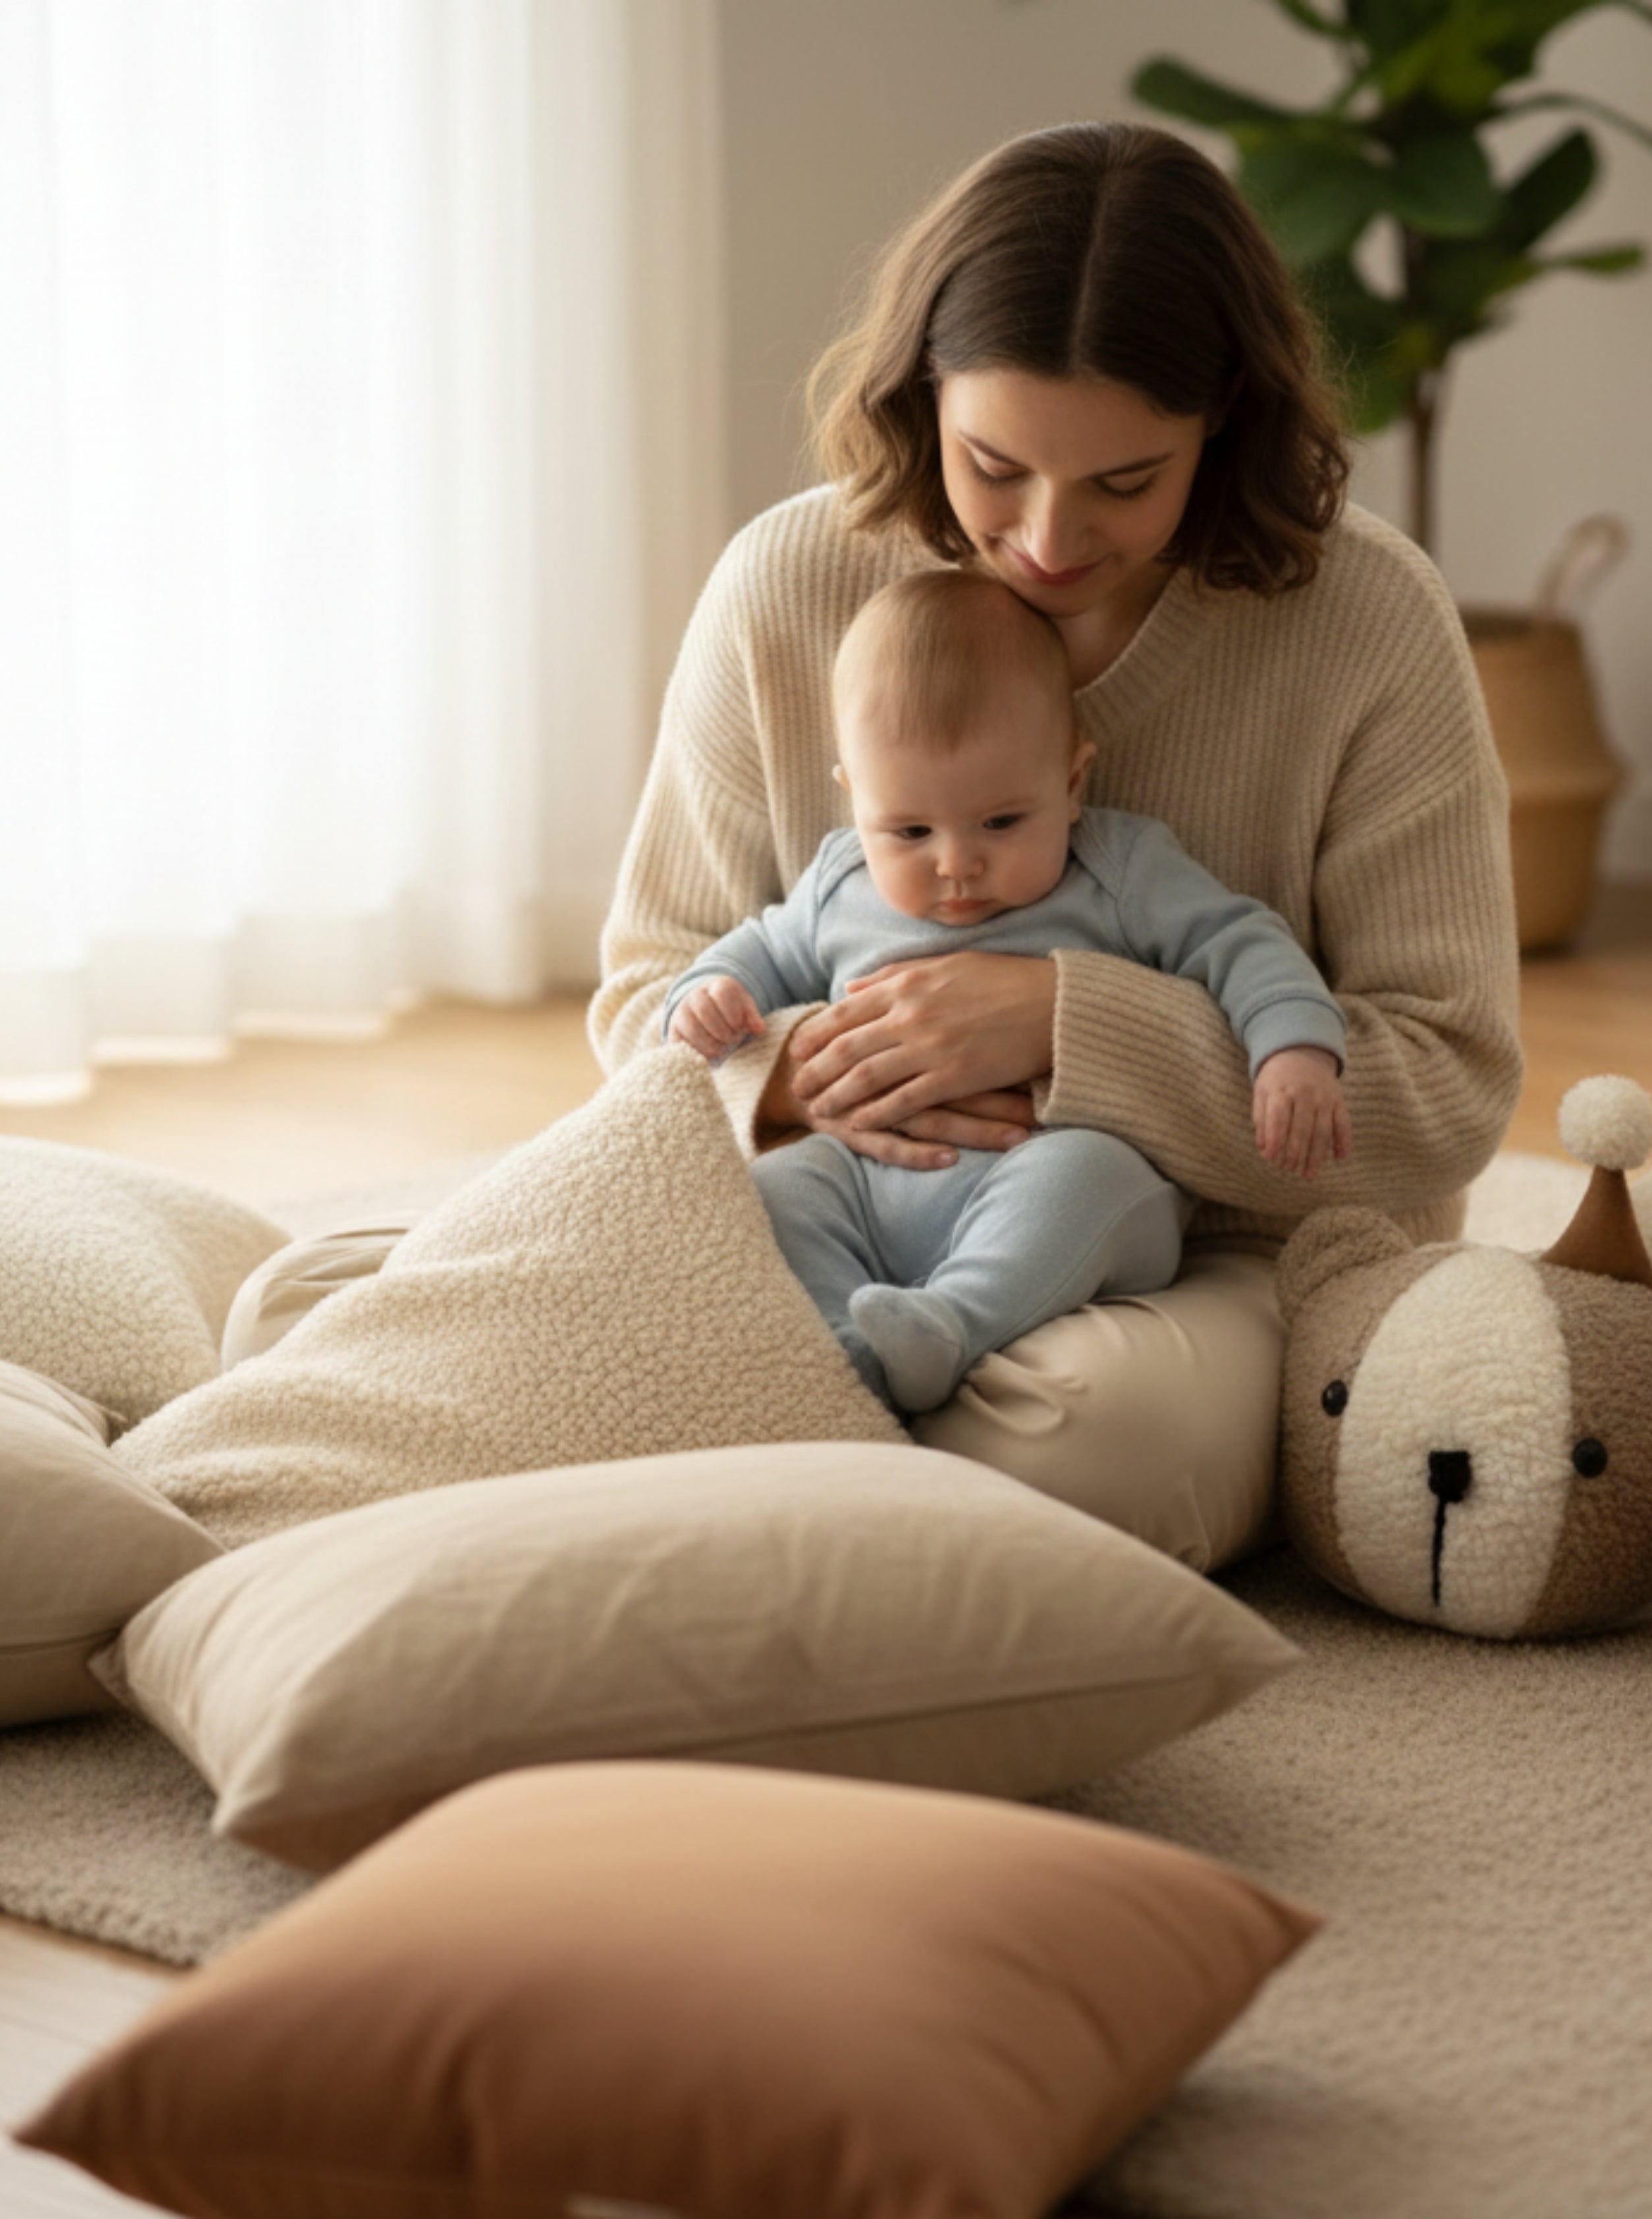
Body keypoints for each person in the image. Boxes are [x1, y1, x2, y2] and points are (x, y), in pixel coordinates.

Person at [592, 120, 1522, 1565]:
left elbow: (1447, 1086)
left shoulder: (1366, 624)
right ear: (922, 394)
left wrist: (1068, 1028)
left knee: (1095, 1446)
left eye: (1123, 481)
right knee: (370, 1296)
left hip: (1206, 1255)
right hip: (830, 1204)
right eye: (993, 464)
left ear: (1224, 417)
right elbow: (642, 993)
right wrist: (806, 1075)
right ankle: (825, 1433)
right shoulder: (789, 586)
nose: (1044, 537)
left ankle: (781, 1449)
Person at [666, 568, 1351, 1413]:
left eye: (1000, 822)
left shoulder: (1120, 869)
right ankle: (847, 1351)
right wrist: (708, 998)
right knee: (782, 1190)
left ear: (1071, 785)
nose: (956, 862)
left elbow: (1241, 941)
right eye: (909, 830)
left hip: (1043, 1172)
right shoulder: (838, 883)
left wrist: (1293, 1047)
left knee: (1089, 1174)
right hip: (870, 1182)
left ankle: (953, 1326)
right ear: (855, 802)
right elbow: (751, 954)